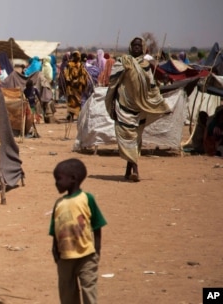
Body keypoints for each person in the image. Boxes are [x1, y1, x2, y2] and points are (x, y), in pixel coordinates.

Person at [105, 37, 170, 181]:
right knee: (127, 137)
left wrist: (160, 103)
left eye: (139, 46)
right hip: (123, 106)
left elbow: (151, 85)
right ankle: (134, 170)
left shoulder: (146, 65)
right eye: (134, 45)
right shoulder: (122, 62)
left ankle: (131, 170)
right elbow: (113, 82)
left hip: (140, 107)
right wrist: (112, 102)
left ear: (143, 48)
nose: (136, 48)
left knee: (136, 138)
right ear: (130, 47)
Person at [49, 158, 107, 304]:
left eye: (59, 179)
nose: (56, 183)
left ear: (73, 179)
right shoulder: (59, 204)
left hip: (86, 256)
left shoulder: (87, 199)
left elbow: (97, 225)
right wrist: (55, 250)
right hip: (65, 258)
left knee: (89, 289)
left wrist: (97, 250)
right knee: (67, 293)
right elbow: (55, 230)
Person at [63, 51, 90, 121]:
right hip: (71, 88)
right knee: (72, 102)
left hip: (78, 87)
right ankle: (71, 115)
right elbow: (66, 75)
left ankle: (79, 116)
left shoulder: (80, 66)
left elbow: (84, 75)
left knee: (78, 102)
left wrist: (79, 81)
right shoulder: (69, 65)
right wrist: (70, 80)